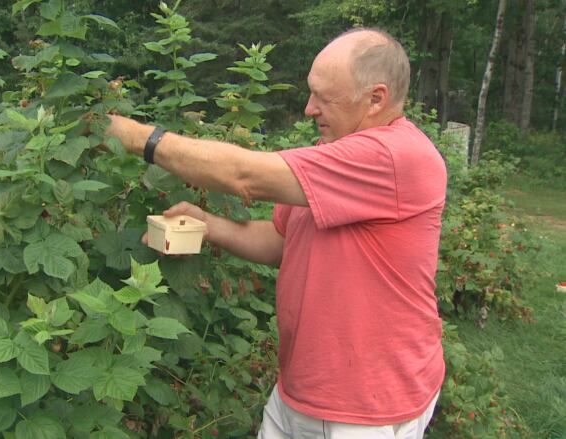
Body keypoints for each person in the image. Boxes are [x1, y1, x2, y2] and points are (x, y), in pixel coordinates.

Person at [105, 27, 446, 439]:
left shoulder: (395, 156)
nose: (308, 108)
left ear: (376, 99)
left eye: (324, 97)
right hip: (304, 388)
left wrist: (137, 136)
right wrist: (209, 225)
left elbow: (244, 174)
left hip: (364, 406)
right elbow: (284, 242)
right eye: (311, 92)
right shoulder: (332, 154)